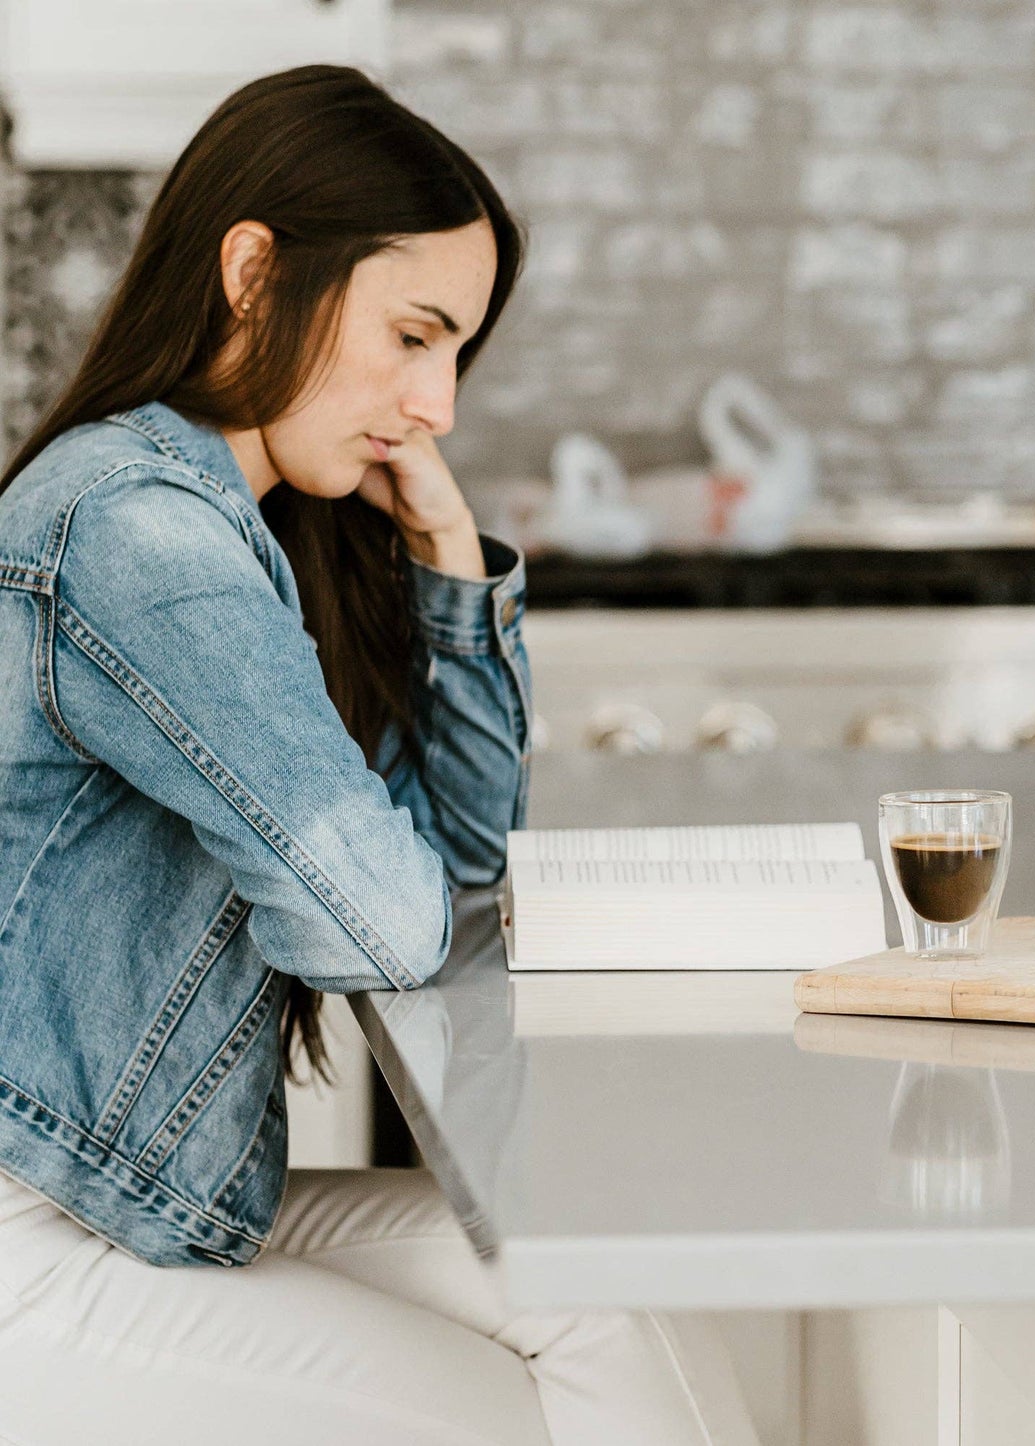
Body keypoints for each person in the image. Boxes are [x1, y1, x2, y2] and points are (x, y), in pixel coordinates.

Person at [0, 65, 760, 1445]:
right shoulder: (139, 536)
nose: (438, 405)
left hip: (134, 1188)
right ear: (252, 272)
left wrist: (450, 568)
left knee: (600, 1292)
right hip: (33, 1231)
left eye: (456, 353)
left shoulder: (241, 533)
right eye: (414, 335)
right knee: (505, 1412)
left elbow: (459, 865)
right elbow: (391, 919)